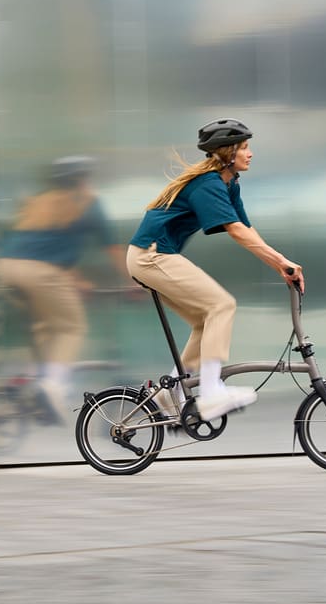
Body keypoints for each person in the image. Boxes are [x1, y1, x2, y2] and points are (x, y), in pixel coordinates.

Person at [127, 118, 305, 423]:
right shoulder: (208, 184)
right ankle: (210, 392)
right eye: (244, 147)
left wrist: (280, 264)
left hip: (153, 255)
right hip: (151, 256)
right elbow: (235, 231)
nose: (250, 153)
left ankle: (170, 392)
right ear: (227, 152)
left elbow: (246, 228)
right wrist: (281, 262)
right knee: (221, 305)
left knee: (204, 320)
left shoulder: (228, 182)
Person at [0, 157, 127, 422]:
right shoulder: (88, 203)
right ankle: (52, 386)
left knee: (45, 327)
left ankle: (28, 379)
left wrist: (76, 280)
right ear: (83, 179)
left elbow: (45, 247)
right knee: (71, 328)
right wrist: (136, 281)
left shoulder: (40, 202)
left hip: (6, 269)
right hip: (41, 274)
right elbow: (113, 250)